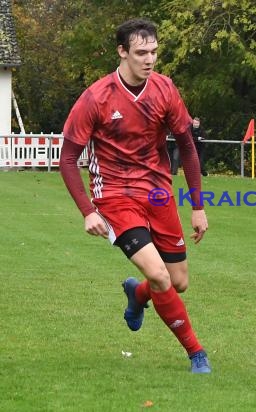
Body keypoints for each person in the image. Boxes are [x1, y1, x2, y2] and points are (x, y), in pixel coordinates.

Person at [59, 18, 211, 373]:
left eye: (154, 51)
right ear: (122, 52)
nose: (150, 59)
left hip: (158, 194)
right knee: (159, 274)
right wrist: (87, 211)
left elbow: (187, 147)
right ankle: (196, 352)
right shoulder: (96, 97)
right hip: (115, 196)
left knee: (178, 282)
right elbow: (67, 158)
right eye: (141, 52)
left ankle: (137, 293)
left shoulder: (165, 89)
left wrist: (198, 207)